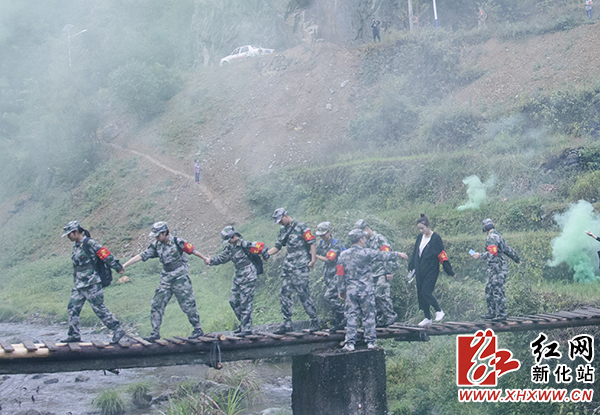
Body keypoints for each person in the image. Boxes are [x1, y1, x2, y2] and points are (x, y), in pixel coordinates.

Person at [121, 222, 208, 341]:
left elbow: (192, 250)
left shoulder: (177, 242)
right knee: (156, 303)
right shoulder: (157, 245)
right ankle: (155, 333)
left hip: (180, 278)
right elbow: (142, 256)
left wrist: (205, 258)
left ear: (164, 232)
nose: (156, 238)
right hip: (166, 279)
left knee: (188, 304)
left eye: (158, 235)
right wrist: (125, 265)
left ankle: (198, 329)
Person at [337, 229, 407, 351]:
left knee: (351, 316)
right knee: (368, 315)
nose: (365, 240)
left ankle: (350, 343)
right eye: (363, 239)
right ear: (360, 239)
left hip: (351, 290)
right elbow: (383, 255)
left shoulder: (343, 255)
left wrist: (341, 290)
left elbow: (340, 273)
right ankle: (370, 341)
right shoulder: (366, 253)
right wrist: (398, 254)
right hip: (366, 290)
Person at [61, 221, 126, 343]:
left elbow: (105, 254)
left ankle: (117, 330)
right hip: (79, 284)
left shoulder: (89, 243)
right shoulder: (76, 245)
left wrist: (117, 267)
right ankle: (74, 335)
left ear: (75, 232)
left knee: (99, 308)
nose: (68, 237)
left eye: (69, 234)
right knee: (72, 308)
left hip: (91, 283)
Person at [205, 226, 270, 336]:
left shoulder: (244, 245)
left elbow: (262, 247)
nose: (229, 242)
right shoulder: (230, 248)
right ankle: (244, 324)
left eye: (229, 239)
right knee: (233, 301)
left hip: (248, 275)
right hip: (238, 276)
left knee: (245, 302)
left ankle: (247, 328)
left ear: (234, 236)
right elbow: (222, 258)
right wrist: (210, 261)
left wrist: (266, 255)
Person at [267, 208, 320, 334]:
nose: (280, 223)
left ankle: (314, 320)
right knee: (284, 294)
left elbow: (312, 242)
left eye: (281, 220)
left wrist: (312, 260)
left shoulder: (301, 227)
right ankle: (287, 323)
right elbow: (277, 247)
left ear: (286, 215)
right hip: (288, 266)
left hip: (301, 266)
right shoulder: (282, 230)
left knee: (303, 294)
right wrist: (266, 254)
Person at [408, 214, 456, 327]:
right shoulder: (420, 237)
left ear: (428, 226)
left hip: (431, 270)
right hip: (420, 271)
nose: (421, 231)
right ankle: (427, 317)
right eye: (419, 229)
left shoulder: (435, 239)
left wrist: (449, 271)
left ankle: (439, 311)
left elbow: (442, 255)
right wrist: (411, 267)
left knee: (426, 291)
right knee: (421, 293)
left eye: (422, 228)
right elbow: (415, 253)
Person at [470, 219, 521, 321]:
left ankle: (501, 315)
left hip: (497, 268)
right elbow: (507, 249)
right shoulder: (498, 236)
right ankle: (492, 313)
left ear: (484, 228)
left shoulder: (491, 238)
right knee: (489, 289)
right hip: (497, 268)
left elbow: (492, 254)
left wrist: (480, 256)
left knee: (497, 291)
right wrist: (516, 259)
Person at [355, 219, 397, 327]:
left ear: (367, 228)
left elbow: (387, 254)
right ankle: (381, 319)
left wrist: (388, 271)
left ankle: (390, 316)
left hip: (382, 271)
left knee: (381, 295)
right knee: (373, 296)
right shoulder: (366, 242)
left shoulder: (379, 239)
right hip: (372, 273)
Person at [314, 221, 346, 332]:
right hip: (328, 275)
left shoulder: (335, 243)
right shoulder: (322, 243)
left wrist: (314, 255)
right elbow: (315, 250)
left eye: (323, 234)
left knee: (328, 297)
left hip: (338, 274)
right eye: (320, 235)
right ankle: (338, 322)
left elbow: (328, 259)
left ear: (329, 232)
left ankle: (345, 313)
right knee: (332, 299)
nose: (322, 236)